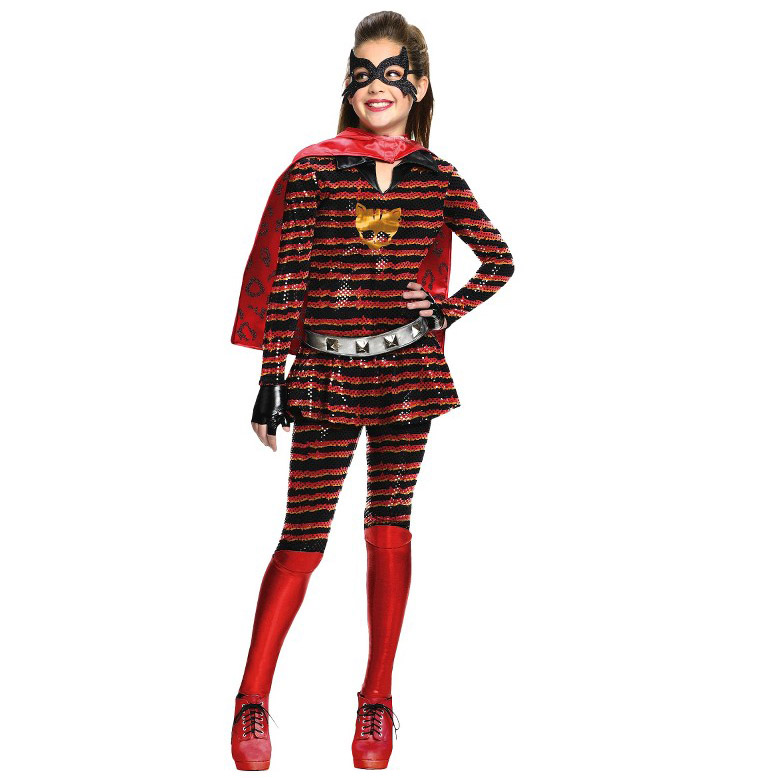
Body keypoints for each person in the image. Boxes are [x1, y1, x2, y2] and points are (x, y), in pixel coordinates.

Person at [229, 11, 515, 771]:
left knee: (390, 527)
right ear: (348, 84)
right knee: (303, 535)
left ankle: (377, 698)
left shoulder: (438, 176)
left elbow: (499, 259)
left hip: (407, 377)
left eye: (392, 73)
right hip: (324, 374)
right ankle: (252, 696)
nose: (375, 86)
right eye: (362, 73)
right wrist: (270, 379)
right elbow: (287, 278)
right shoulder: (315, 169)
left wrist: (442, 312)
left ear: (417, 85)